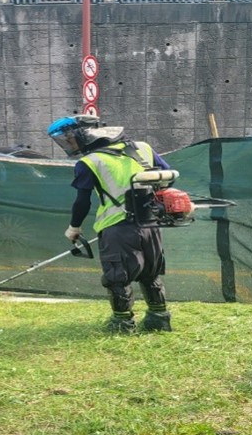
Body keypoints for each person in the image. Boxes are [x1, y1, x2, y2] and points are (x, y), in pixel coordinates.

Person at [47, 114, 174, 333]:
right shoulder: (142, 148)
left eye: (69, 138)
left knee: (118, 276)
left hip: (117, 226)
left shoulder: (89, 162)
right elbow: (168, 176)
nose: (69, 144)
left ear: (83, 134)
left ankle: (122, 323)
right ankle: (159, 319)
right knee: (150, 273)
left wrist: (74, 227)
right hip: (150, 224)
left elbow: (82, 201)